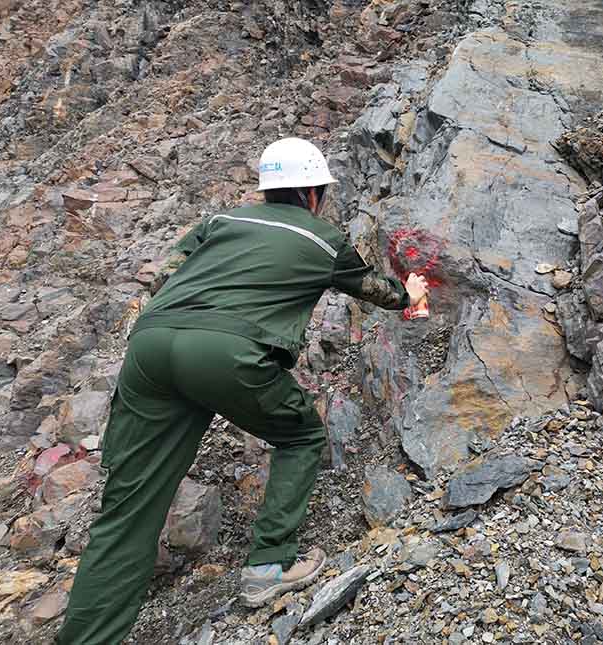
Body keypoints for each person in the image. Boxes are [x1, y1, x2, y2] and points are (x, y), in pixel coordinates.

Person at [55, 137, 428, 644]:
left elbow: (164, 277)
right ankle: (269, 567)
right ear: (315, 192)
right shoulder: (322, 239)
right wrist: (412, 292)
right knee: (300, 437)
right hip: (227, 351)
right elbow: (376, 292)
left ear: (267, 189)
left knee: (127, 509)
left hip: (151, 346)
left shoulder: (220, 221)